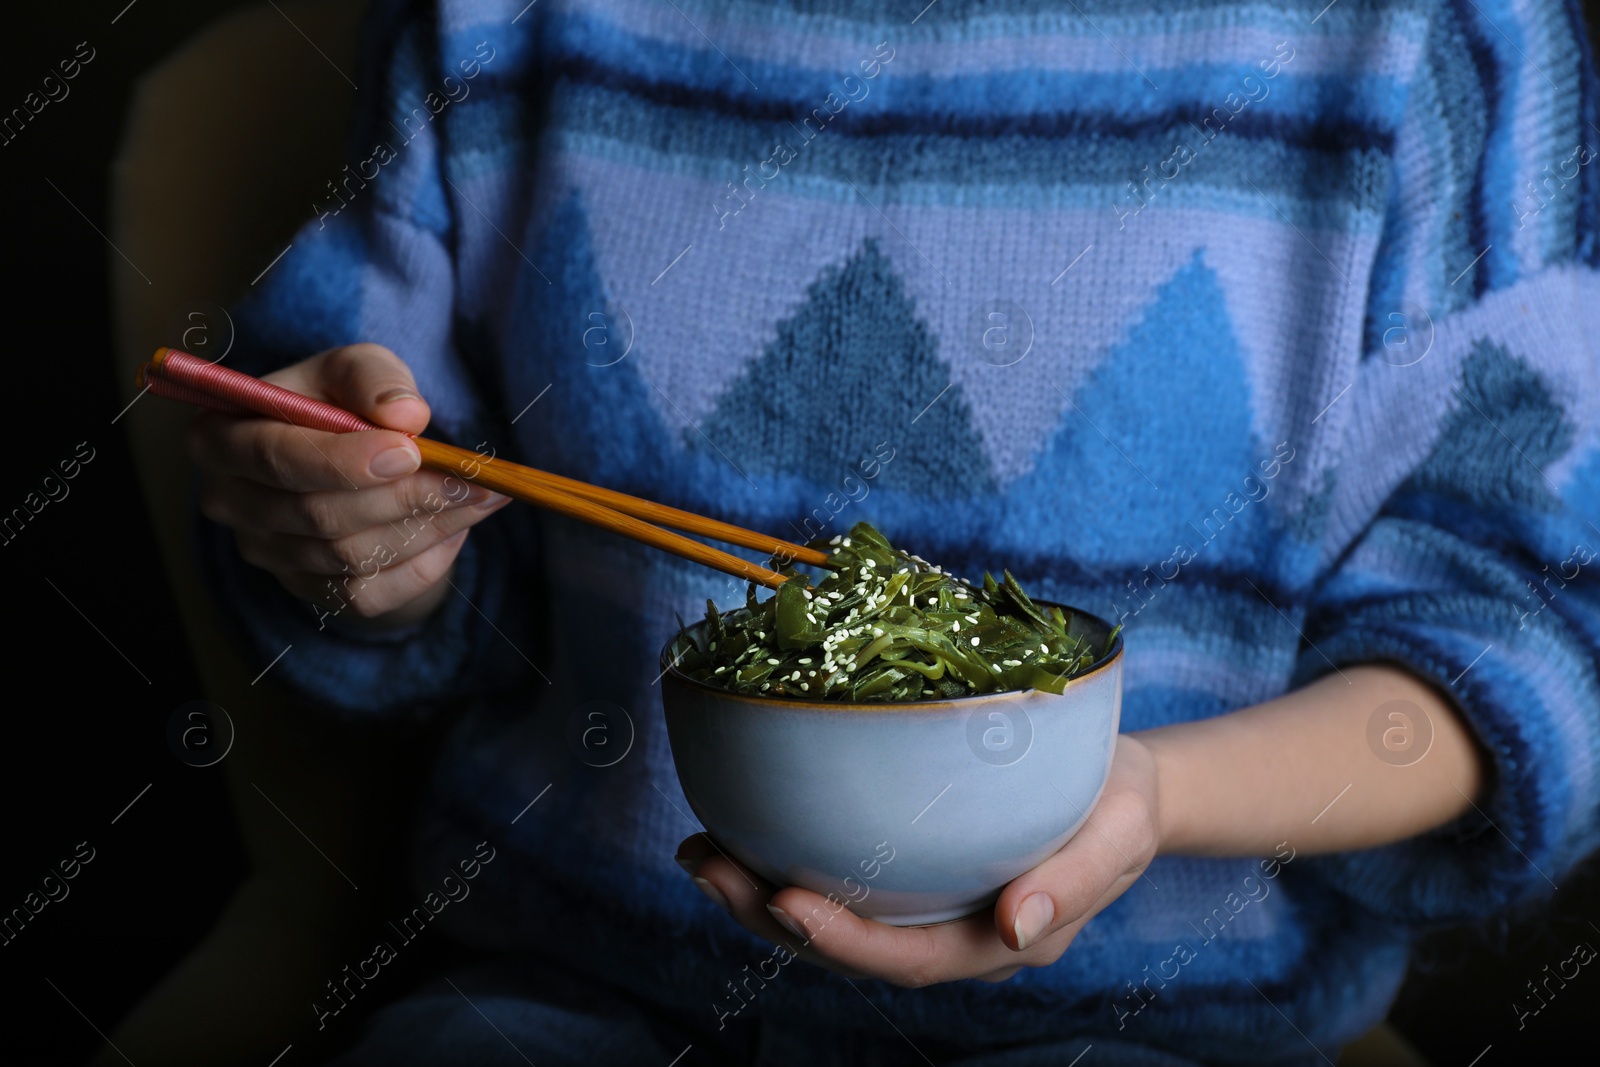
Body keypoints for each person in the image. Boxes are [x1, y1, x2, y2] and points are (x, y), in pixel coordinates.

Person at [186, 0, 1600, 1062]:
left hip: (1150, 1032)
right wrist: (362, 541)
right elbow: (416, 546)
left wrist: (1148, 797)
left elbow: (1525, 633)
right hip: (568, 989)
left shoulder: (1432, 36)